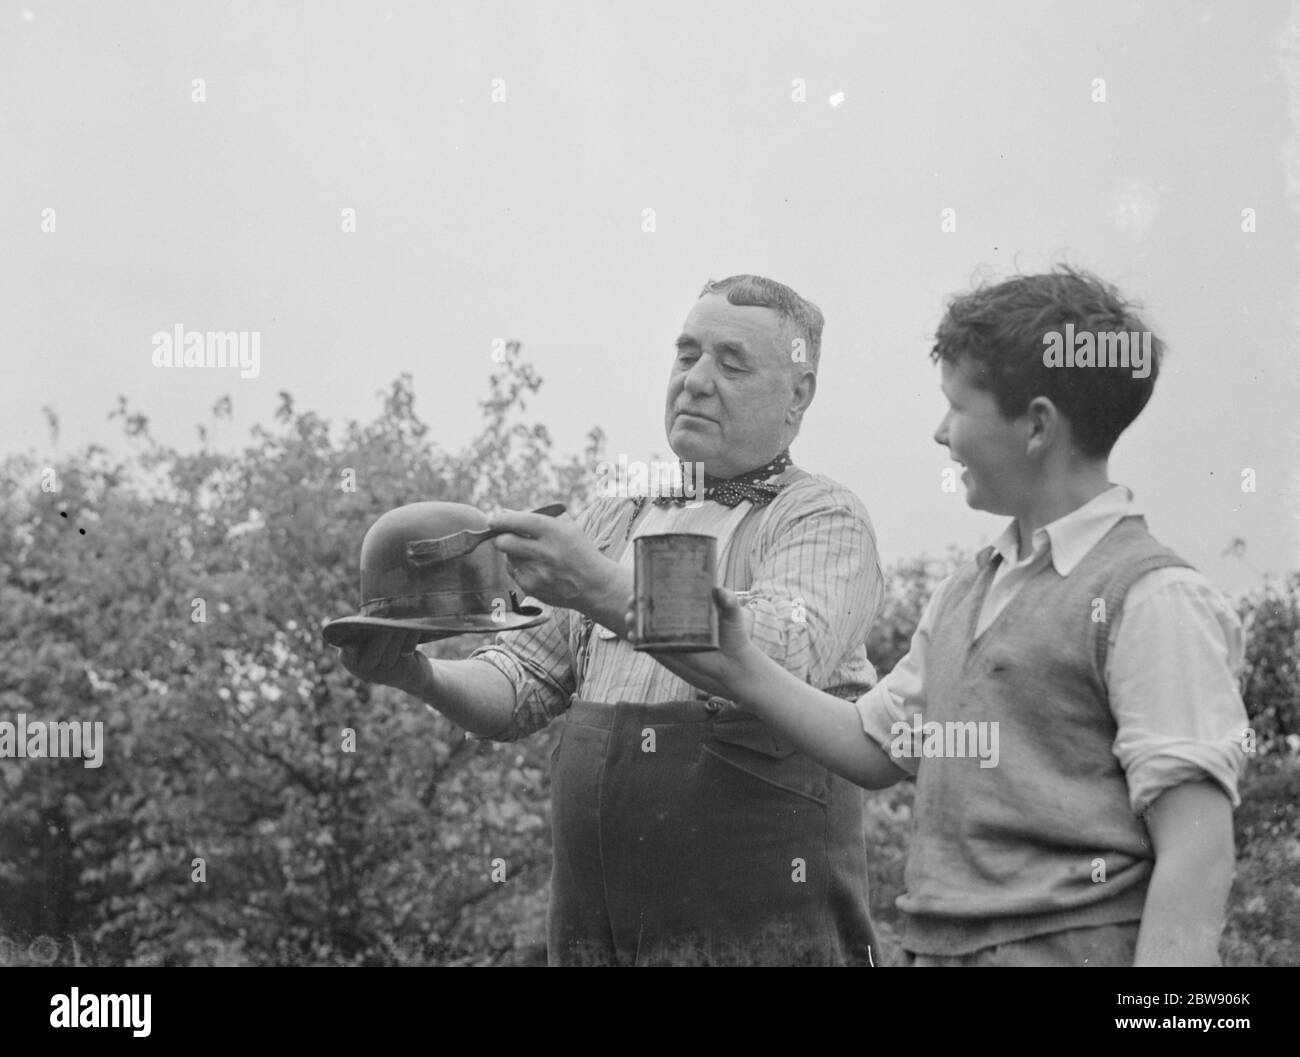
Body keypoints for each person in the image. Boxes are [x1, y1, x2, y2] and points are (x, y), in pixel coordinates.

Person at [647, 267, 1249, 967]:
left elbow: (1199, 857)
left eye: (958, 408)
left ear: (1037, 426)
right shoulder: (970, 588)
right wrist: (742, 661)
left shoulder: (1153, 599)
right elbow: (876, 748)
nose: (939, 433)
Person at [340, 275, 886, 965]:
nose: (695, 380)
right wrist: (418, 673)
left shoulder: (822, 516)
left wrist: (598, 586)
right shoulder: (614, 513)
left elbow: (775, 650)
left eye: (731, 361)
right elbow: (520, 682)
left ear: (798, 394)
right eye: (686, 354)